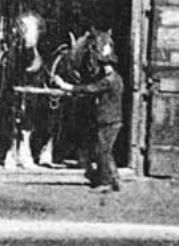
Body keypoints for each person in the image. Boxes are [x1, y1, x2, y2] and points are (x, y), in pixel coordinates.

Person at [53, 38, 125, 192]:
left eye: (104, 64)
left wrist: (67, 86)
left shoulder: (108, 81)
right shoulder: (117, 78)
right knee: (106, 150)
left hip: (107, 120)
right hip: (113, 120)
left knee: (101, 150)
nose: (102, 67)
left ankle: (105, 183)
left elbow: (90, 88)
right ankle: (114, 178)